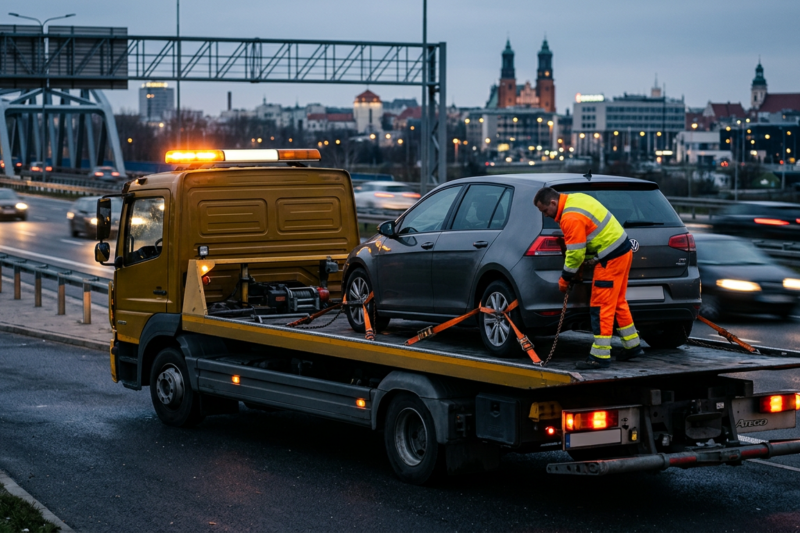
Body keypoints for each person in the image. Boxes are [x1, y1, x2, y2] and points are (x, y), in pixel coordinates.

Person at [533, 187, 645, 369]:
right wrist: (590, 258)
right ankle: (632, 346)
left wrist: (565, 280)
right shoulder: (576, 199)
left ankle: (599, 357)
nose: (545, 215)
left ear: (553, 203)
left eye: (545, 210)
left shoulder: (569, 217)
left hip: (610, 258)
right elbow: (590, 238)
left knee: (601, 307)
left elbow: (575, 254)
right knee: (617, 302)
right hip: (621, 252)